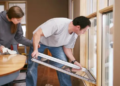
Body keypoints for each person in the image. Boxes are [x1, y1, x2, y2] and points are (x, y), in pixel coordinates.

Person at [26, 16, 91, 86]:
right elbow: (37, 34)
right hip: (40, 41)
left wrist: (73, 61)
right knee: (32, 64)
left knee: (63, 66)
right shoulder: (57, 24)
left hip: (56, 45)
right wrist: (35, 50)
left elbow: (67, 48)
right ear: (78, 27)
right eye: (84, 31)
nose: (84, 33)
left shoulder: (75, 34)